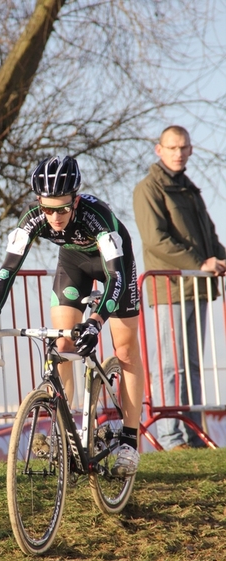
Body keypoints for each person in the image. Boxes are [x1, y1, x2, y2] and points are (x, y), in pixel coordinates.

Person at [0, 156, 144, 477]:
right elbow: (7, 269)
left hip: (115, 267)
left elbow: (116, 278)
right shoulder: (33, 218)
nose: (53, 217)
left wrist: (95, 323)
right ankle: (69, 432)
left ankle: (129, 441)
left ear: (76, 200)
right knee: (62, 342)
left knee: (124, 350)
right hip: (74, 264)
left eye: (63, 209)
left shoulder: (97, 218)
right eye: (47, 209)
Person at [133, 125, 226, 451]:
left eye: (184, 147)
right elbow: (156, 241)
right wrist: (199, 264)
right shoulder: (148, 188)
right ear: (159, 149)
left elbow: (209, 238)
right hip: (170, 289)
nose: (178, 153)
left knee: (192, 367)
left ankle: (193, 433)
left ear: (190, 149)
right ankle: (173, 438)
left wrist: (220, 258)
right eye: (172, 147)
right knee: (169, 367)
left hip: (196, 289)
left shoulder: (190, 189)